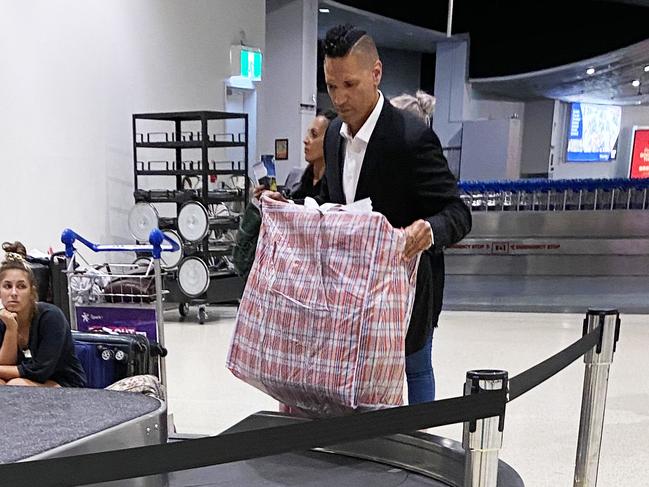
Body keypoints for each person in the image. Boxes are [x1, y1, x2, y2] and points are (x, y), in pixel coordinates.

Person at [319, 25, 471, 404]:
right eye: (331, 86)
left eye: (350, 85)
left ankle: (422, 453)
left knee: (415, 367)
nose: (339, 98)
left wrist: (429, 229)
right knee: (351, 370)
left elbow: (457, 212)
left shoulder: (411, 137)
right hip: (348, 289)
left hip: (408, 291)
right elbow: (330, 196)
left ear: (376, 73)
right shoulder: (334, 135)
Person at [0, 243, 86, 387]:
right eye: (7, 286)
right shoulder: (3, 318)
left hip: (65, 384)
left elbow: (39, 371)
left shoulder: (51, 317)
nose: (13, 293)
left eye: (21, 286)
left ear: (32, 292)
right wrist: (10, 328)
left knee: (16, 385)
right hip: (24, 381)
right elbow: (5, 365)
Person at [283, 109, 337, 199]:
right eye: (308, 134)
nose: (306, 140)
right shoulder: (296, 177)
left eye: (314, 135)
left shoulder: (336, 187)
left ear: (330, 140)